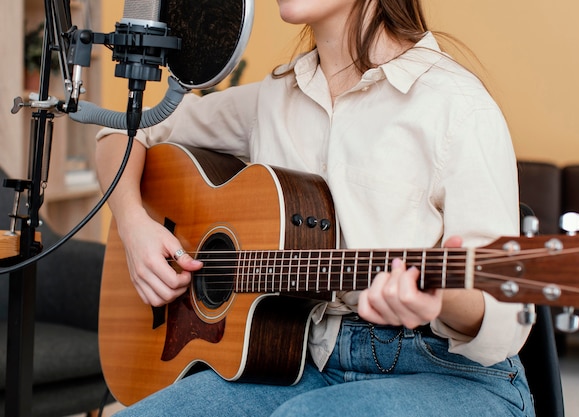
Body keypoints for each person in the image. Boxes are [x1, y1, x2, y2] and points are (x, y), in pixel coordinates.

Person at [95, 1, 535, 416]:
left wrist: (441, 297)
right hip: (298, 361)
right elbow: (121, 134)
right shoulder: (274, 98)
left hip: (446, 372)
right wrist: (135, 226)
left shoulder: (458, 107)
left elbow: (506, 314)